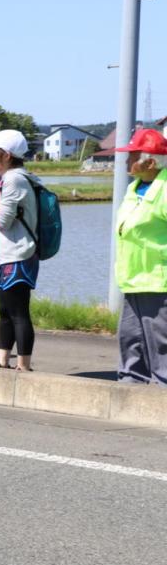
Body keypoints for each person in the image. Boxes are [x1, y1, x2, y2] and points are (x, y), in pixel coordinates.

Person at [0, 129, 39, 371]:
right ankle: (2, 361)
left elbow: (4, 221)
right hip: (2, 253)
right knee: (4, 311)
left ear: (7, 155)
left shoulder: (15, 179)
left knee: (18, 312)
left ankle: (23, 366)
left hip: (19, 254)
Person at [112, 128, 167, 384]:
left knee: (160, 349)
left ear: (151, 161)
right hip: (133, 279)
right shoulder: (134, 188)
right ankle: (129, 390)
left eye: (132, 156)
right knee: (131, 341)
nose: (125, 161)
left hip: (158, 281)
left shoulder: (165, 189)